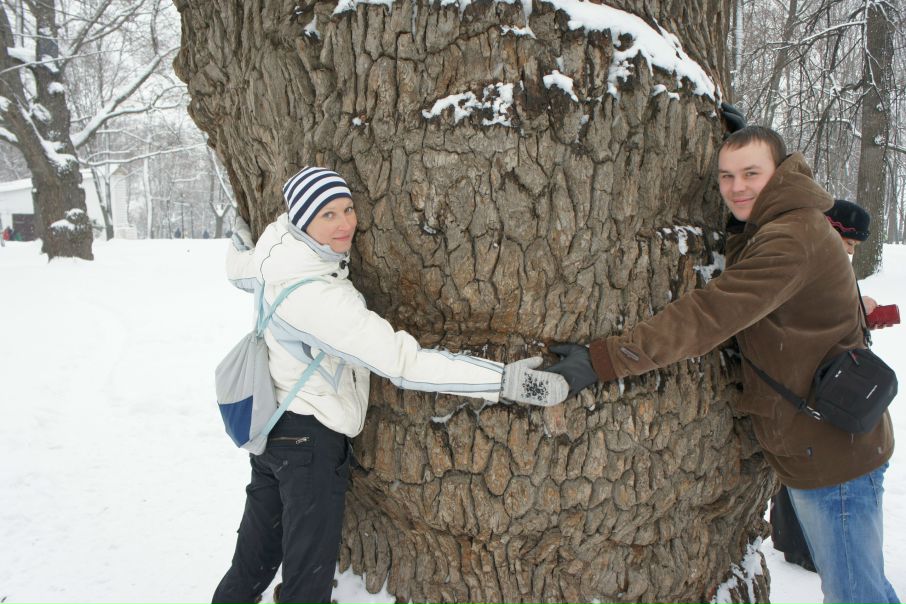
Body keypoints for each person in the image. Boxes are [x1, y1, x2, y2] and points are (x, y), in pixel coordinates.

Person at [547, 126, 898, 604]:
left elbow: (711, 314)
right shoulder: (787, 220)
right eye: (727, 176)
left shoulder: (792, 238)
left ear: (780, 171)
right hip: (825, 442)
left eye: (751, 173)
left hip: (835, 456)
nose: (736, 187)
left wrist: (603, 360)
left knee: (856, 595)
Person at [213, 166, 568, 604]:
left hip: (273, 435)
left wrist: (237, 241)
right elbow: (404, 363)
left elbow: (239, 270)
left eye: (347, 208)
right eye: (328, 215)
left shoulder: (275, 249)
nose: (345, 223)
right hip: (308, 447)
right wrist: (504, 380)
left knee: (252, 564)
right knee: (307, 583)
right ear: (302, 220)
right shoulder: (318, 300)